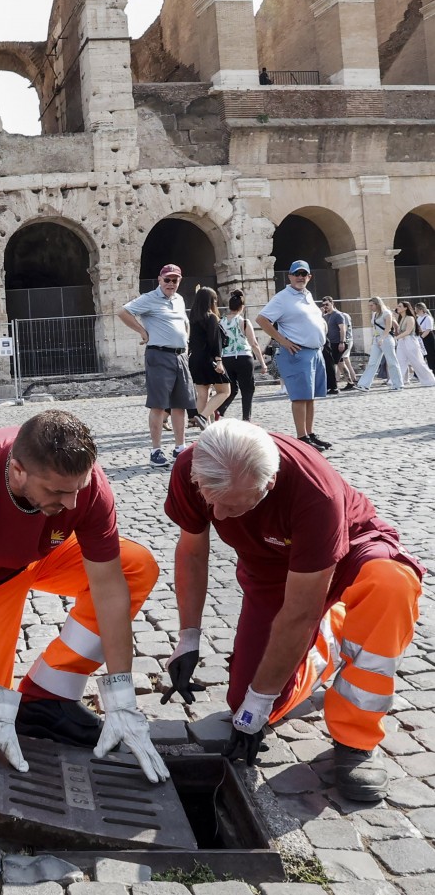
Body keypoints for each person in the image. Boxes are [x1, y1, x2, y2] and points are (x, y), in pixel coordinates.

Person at [0, 410, 169, 787]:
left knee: (135, 567)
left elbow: (108, 586)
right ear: (18, 471)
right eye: (58, 492)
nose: (73, 503)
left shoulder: (81, 486)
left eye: (78, 488)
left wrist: (121, 697)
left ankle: (47, 693)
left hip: (43, 551)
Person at [162, 420, 423, 802]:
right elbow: (192, 552)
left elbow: (299, 613)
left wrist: (259, 702)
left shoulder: (315, 493)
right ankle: (326, 641)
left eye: (232, 503)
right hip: (270, 568)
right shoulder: (194, 465)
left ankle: (355, 737)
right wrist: (188, 638)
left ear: (267, 485)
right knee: (245, 703)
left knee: (391, 583)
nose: (217, 513)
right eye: (209, 498)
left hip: (351, 554)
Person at [118, 264, 201, 469]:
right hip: (159, 354)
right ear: (159, 279)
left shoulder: (179, 299)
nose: (171, 284)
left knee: (180, 404)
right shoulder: (149, 298)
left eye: (175, 280)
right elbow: (123, 312)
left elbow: (185, 322)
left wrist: (186, 340)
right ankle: (156, 451)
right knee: (158, 404)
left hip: (180, 356)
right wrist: (142, 331)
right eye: (167, 280)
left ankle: (179, 447)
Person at [255, 260, 331, 452]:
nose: (300, 277)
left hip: (314, 351)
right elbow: (262, 319)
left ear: (309, 277)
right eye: (296, 274)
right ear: (289, 276)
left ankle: (310, 432)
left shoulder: (307, 295)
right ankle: (301, 436)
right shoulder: (283, 297)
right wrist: (282, 340)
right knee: (300, 396)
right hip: (297, 352)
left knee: (311, 396)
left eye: (303, 274)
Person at [218, 289, 267, 422]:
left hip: (226, 358)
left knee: (231, 389)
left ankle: (219, 410)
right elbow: (254, 344)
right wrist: (262, 363)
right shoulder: (244, 322)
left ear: (229, 306)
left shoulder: (220, 322)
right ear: (243, 307)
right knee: (247, 389)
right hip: (243, 357)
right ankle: (246, 418)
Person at [188, 287, 231, 426]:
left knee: (202, 395)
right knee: (225, 391)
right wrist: (218, 361)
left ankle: (208, 428)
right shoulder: (211, 317)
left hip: (195, 359)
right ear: (211, 301)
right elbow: (214, 341)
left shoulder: (193, 319)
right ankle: (202, 417)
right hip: (209, 359)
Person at [356, 297, 404, 391]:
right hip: (377, 339)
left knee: (392, 362)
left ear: (377, 304)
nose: (370, 307)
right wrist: (375, 339)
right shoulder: (374, 314)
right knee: (372, 362)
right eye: (369, 305)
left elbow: (388, 327)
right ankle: (364, 384)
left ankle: (398, 384)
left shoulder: (387, 313)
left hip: (386, 339)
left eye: (372, 305)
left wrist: (382, 338)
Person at [394, 301, 435, 387]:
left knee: (418, 361)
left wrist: (396, 338)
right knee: (400, 361)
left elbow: (408, 331)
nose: (397, 307)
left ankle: (430, 380)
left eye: (400, 306)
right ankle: (397, 381)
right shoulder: (401, 318)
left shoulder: (410, 318)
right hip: (402, 341)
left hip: (410, 341)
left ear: (405, 308)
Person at [321, 296, 348, 393]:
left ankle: (334, 386)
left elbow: (342, 329)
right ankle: (349, 382)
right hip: (328, 343)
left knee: (333, 364)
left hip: (337, 343)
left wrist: (342, 342)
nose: (325, 307)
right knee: (338, 363)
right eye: (323, 305)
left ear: (332, 304)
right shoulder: (325, 316)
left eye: (327, 304)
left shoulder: (338, 315)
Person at [338, 308, 358, 389]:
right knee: (345, 360)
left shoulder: (343, 315)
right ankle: (354, 379)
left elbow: (344, 329)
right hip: (346, 340)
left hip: (346, 340)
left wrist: (341, 341)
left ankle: (339, 380)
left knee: (340, 360)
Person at [415, 302, 435, 374]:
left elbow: (428, 330)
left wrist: (421, 338)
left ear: (420, 309)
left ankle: (432, 370)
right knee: (421, 355)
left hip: (427, 337)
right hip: (421, 336)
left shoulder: (428, 318)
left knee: (430, 355)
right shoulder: (418, 318)